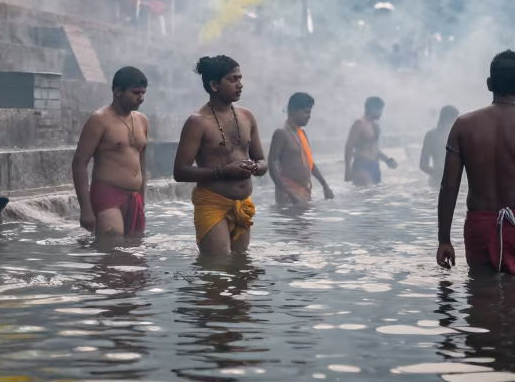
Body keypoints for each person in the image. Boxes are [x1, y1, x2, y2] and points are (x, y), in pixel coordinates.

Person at [437, 50, 515, 275]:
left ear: (489, 83)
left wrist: (444, 240)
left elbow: (449, 187)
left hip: (479, 225)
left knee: (481, 296)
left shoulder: (463, 126)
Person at [173, 56, 267, 255]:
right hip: (212, 203)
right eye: (232, 80)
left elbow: (262, 160)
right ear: (214, 85)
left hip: (243, 204)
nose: (240, 85)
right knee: (218, 268)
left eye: (240, 79)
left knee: (241, 268)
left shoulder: (247, 116)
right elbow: (180, 172)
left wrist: (256, 167)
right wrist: (223, 171)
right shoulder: (198, 122)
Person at [72, 67, 150, 237]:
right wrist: (85, 209)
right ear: (118, 91)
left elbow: (141, 162)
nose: (141, 98)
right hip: (108, 196)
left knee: (135, 254)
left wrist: (142, 198)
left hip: (134, 197)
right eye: (136, 93)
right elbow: (79, 162)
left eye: (143, 93)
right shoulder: (99, 120)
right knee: (111, 251)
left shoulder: (142, 120)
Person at [269, 92, 334, 206]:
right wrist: (288, 193)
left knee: (306, 223)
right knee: (293, 223)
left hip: (303, 192)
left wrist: (325, 185)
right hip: (289, 194)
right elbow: (271, 164)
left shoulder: (302, 134)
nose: (309, 116)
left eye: (310, 112)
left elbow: (310, 163)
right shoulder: (281, 134)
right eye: (306, 112)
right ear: (293, 111)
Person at [344, 97, 397, 186]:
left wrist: (387, 160)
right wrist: (347, 171)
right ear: (373, 109)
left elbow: (375, 148)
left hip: (374, 166)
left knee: (375, 196)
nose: (381, 114)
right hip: (361, 166)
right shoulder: (359, 124)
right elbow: (348, 147)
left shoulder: (375, 126)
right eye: (380, 110)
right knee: (366, 194)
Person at [420, 105, 460, 189]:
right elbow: (423, 165)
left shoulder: (431, 135)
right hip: (442, 182)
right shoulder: (432, 135)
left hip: (438, 181)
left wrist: (437, 174)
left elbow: (423, 165)